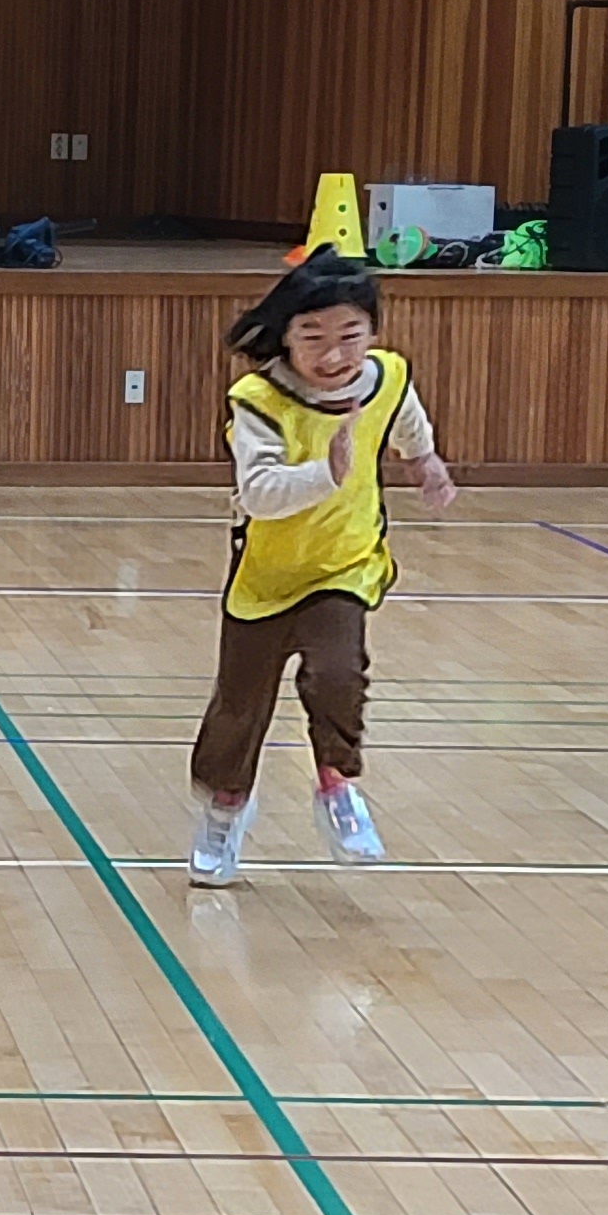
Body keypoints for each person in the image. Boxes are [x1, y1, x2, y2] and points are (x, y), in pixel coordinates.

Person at [189, 252, 458, 882]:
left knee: (339, 676)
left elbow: (406, 418)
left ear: (372, 334)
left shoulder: (386, 377)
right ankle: (226, 808)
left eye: (350, 337)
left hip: (344, 564)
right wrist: (326, 473)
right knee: (239, 706)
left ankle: (336, 786)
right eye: (313, 337)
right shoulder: (258, 400)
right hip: (266, 574)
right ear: (286, 335)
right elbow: (257, 493)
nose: (333, 355)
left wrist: (425, 462)